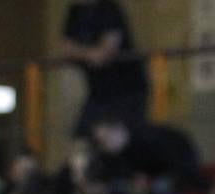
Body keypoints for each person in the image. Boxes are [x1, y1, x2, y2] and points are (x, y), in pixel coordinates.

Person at [62, 0, 150, 134]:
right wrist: (90, 54)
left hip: (127, 88)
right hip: (99, 91)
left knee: (126, 138)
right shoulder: (75, 11)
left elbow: (105, 52)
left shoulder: (108, 8)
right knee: (83, 135)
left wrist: (82, 53)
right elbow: (66, 49)